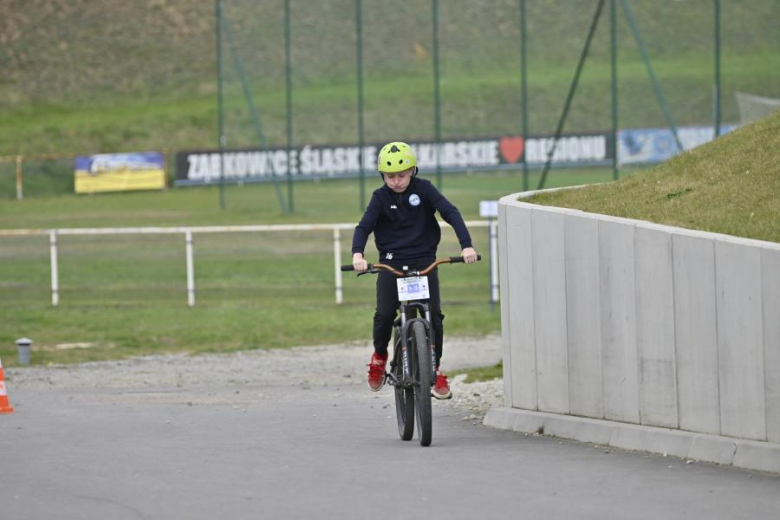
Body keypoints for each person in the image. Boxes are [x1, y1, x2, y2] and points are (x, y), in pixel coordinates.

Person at [351, 141, 478, 399]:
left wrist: (467, 246)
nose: (396, 181)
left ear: (413, 171)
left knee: (435, 317)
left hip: (424, 261)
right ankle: (379, 357)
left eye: (401, 175)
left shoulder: (425, 190)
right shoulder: (380, 198)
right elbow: (364, 226)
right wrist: (358, 254)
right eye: (390, 176)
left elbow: (450, 212)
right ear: (382, 176)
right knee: (385, 314)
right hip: (391, 262)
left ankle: (435, 368)